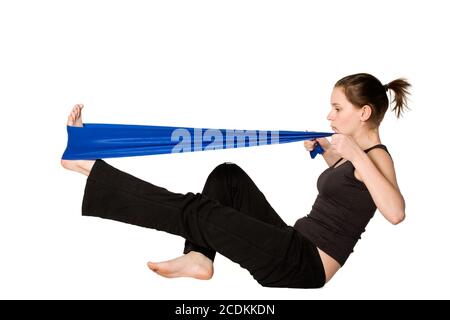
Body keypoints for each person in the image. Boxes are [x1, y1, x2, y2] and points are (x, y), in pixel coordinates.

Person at [61, 73, 409, 288]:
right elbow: (351, 189)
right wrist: (327, 153)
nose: (329, 116)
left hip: (305, 264)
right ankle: (200, 257)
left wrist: (354, 152)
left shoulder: (376, 156)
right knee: (228, 177)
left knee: (197, 211)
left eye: (337, 109)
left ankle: (88, 166)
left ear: (363, 113)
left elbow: (395, 212)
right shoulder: (356, 157)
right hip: (294, 242)